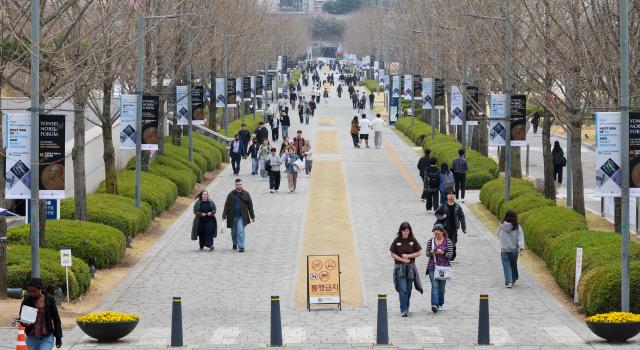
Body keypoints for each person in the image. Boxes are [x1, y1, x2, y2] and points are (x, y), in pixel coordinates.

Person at [389, 222, 423, 317]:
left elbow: (419, 253)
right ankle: (403, 309)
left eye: (408, 231)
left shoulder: (413, 240)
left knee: (409, 288)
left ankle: (407, 307)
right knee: (403, 289)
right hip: (400, 267)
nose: (406, 233)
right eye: (404, 231)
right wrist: (402, 259)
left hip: (411, 267)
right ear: (401, 231)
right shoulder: (397, 240)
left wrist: (409, 256)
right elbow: (392, 254)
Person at [19, 278, 63, 349]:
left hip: (47, 337)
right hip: (31, 338)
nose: (32, 294)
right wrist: (24, 323)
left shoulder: (49, 300)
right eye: (30, 291)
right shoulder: (26, 301)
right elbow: (22, 319)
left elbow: (56, 319)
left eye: (34, 291)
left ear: (40, 289)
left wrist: (58, 337)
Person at [425, 224, 454, 313]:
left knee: (441, 287)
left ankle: (440, 303)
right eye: (435, 233)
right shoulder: (431, 241)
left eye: (438, 233)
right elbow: (427, 254)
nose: (436, 235)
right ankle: (434, 305)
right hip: (432, 266)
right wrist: (431, 252)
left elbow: (450, 255)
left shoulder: (448, 241)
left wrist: (443, 253)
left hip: (443, 268)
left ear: (442, 232)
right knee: (435, 285)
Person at [222, 179, 255, 252]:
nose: (239, 185)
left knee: (240, 230)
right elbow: (226, 205)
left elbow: (250, 205)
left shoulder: (246, 194)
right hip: (232, 216)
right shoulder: (231, 194)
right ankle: (234, 243)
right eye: (237, 184)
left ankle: (241, 246)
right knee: (234, 232)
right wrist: (224, 216)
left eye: (240, 184)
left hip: (241, 216)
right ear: (235, 185)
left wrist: (252, 216)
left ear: (242, 184)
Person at [435, 191, 466, 261]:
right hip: (445, 228)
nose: (451, 195)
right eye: (449, 194)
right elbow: (437, 213)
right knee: (445, 242)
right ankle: (445, 255)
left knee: (453, 242)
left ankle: (452, 256)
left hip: (454, 227)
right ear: (447, 196)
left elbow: (462, 216)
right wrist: (443, 216)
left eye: (453, 194)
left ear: (455, 196)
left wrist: (463, 227)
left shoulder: (458, 207)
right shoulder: (443, 206)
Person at [499, 211, 525, 288]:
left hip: (504, 250)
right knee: (513, 265)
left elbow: (498, 234)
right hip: (514, 250)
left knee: (506, 266)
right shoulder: (517, 226)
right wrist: (521, 248)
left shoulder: (502, 225)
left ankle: (509, 281)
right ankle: (513, 279)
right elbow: (520, 238)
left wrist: (504, 240)